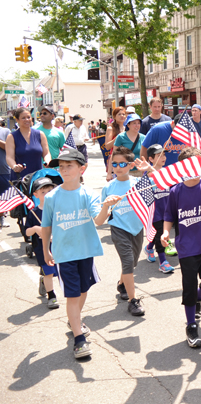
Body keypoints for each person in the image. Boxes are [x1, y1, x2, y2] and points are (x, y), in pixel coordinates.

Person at [41, 148, 105, 359]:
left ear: (82, 169)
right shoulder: (51, 197)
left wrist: (106, 207)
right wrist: (45, 250)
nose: (64, 170)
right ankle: (79, 340)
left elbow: (98, 220)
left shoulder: (89, 195)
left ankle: (74, 318)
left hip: (86, 251)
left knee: (83, 290)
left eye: (69, 166)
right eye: (61, 166)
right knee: (72, 294)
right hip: (64, 254)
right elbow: (47, 227)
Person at [161, 147, 201, 348]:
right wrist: (165, 232)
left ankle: (198, 297)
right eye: (192, 165)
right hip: (187, 247)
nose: (198, 170)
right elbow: (169, 216)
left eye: (200, 165)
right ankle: (191, 325)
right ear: (182, 168)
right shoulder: (175, 191)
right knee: (188, 287)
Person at [97, 146, 153, 316]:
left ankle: (122, 284)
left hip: (136, 229)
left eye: (122, 164)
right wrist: (107, 205)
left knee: (133, 263)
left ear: (131, 166)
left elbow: (161, 183)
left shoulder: (138, 183)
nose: (118, 167)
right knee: (128, 261)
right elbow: (99, 221)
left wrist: (150, 169)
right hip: (119, 229)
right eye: (115, 164)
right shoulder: (108, 188)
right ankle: (133, 300)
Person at [25, 178, 59, 309]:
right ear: (36, 195)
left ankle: (44, 279)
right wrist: (35, 229)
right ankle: (52, 296)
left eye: (50, 191)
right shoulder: (34, 213)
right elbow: (27, 232)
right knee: (49, 272)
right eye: (43, 191)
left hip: (58, 246)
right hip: (42, 248)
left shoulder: (58, 210)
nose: (48, 194)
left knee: (57, 271)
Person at [142, 144, 175, 274]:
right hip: (155, 212)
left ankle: (149, 247)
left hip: (167, 210)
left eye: (164, 154)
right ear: (150, 159)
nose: (163, 157)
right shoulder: (148, 175)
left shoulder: (167, 171)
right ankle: (163, 262)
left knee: (158, 235)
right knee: (160, 234)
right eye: (159, 155)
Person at [6, 108, 49, 179]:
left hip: (38, 177)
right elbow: (9, 157)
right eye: (23, 118)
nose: (27, 120)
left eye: (28, 117)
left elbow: (46, 153)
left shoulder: (40, 134)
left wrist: (47, 161)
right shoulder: (12, 137)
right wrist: (14, 166)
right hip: (20, 177)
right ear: (17, 120)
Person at [0, 121, 11, 227]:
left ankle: (2, 220)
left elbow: (9, 147)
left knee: (3, 197)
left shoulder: (5, 131)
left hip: (3, 169)